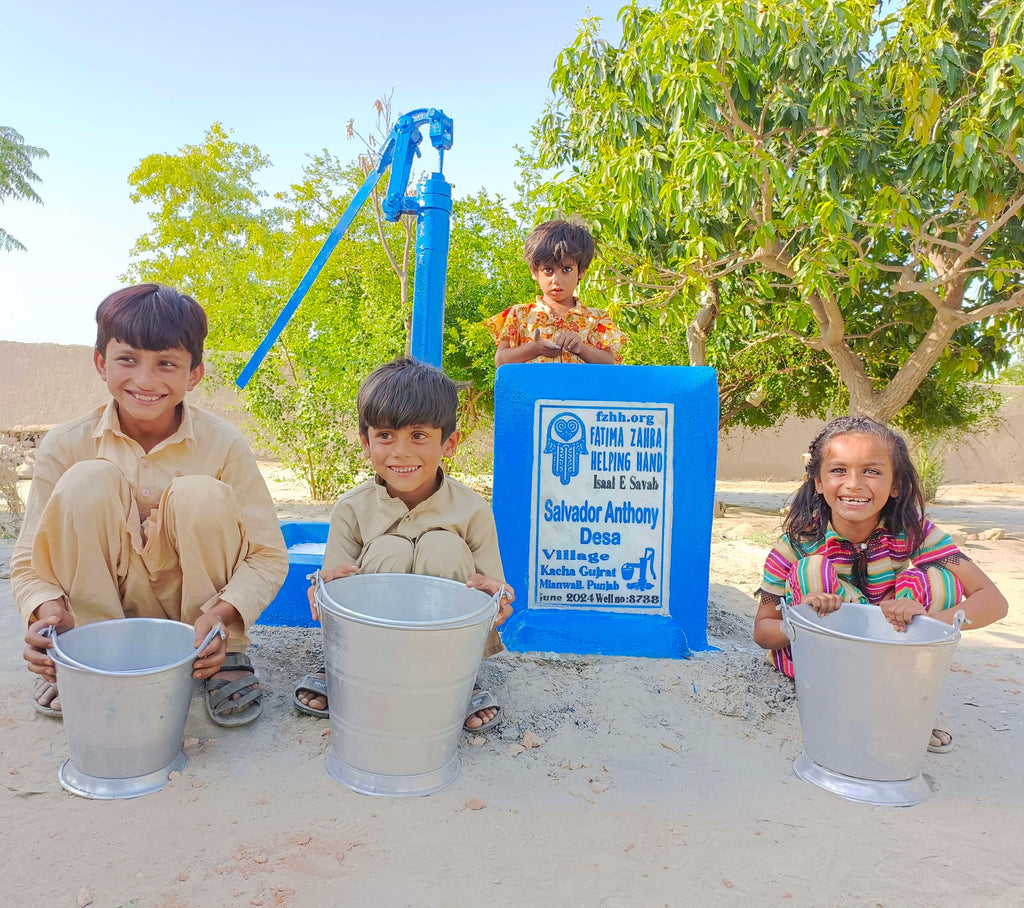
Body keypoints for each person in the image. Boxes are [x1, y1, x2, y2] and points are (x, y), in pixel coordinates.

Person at [12, 284, 288, 727]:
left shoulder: (224, 445)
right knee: (88, 481)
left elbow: (268, 555)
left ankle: (223, 656)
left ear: (193, 374)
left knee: (201, 496)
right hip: (99, 617)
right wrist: (48, 613)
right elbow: (28, 560)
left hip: (201, 619)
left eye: (166, 363)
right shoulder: (67, 444)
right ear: (101, 362)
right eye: (127, 360)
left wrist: (223, 616)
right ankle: (91, 654)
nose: (145, 380)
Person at [753, 415, 1008, 752]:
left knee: (938, 579)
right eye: (838, 470)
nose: (854, 484)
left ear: (895, 485)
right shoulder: (797, 544)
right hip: (820, 661)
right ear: (817, 482)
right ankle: (863, 709)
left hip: (890, 648)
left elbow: (993, 601)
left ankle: (891, 701)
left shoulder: (913, 533)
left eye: (871, 471)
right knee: (811, 570)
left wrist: (924, 623)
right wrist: (805, 618)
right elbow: (762, 631)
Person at [293, 357, 514, 731]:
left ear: (450, 442)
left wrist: (499, 598)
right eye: (385, 436)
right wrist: (323, 588)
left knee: (442, 547)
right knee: (389, 548)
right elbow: (332, 590)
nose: (401, 452)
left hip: (445, 646)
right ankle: (346, 671)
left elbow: (492, 593)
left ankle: (457, 680)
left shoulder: (473, 510)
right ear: (366, 443)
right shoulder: (351, 508)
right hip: (369, 643)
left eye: (419, 436)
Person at [485, 218, 625, 366]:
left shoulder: (596, 319)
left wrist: (581, 348)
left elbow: (610, 363)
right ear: (534, 271)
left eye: (566, 269)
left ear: (582, 271)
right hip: (532, 389)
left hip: (580, 390)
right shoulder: (519, 315)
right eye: (548, 270)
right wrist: (534, 348)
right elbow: (500, 360)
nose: (556, 279)